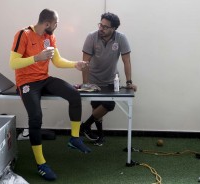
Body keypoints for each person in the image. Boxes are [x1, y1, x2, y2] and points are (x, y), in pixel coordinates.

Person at [9, 9, 91, 181]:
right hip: (26, 83)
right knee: (36, 117)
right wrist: (36, 58)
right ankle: (41, 164)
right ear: (47, 24)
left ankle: (74, 139)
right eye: (56, 24)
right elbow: (13, 63)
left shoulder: (49, 37)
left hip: (44, 79)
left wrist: (75, 64)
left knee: (75, 95)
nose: (57, 26)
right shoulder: (23, 34)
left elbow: (58, 61)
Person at [80, 12, 137, 146]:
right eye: (101, 25)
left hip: (111, 79)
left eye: (105, 27)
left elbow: (126, 61)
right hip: (93, 79)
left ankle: (85, 126)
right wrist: (85, 83)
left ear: (114, 29)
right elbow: (85, 62)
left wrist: (129, 82)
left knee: (108, 105)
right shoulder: (91, 37)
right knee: (96, 107)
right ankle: (100, 136)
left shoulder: (121, 38)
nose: (101, 28)